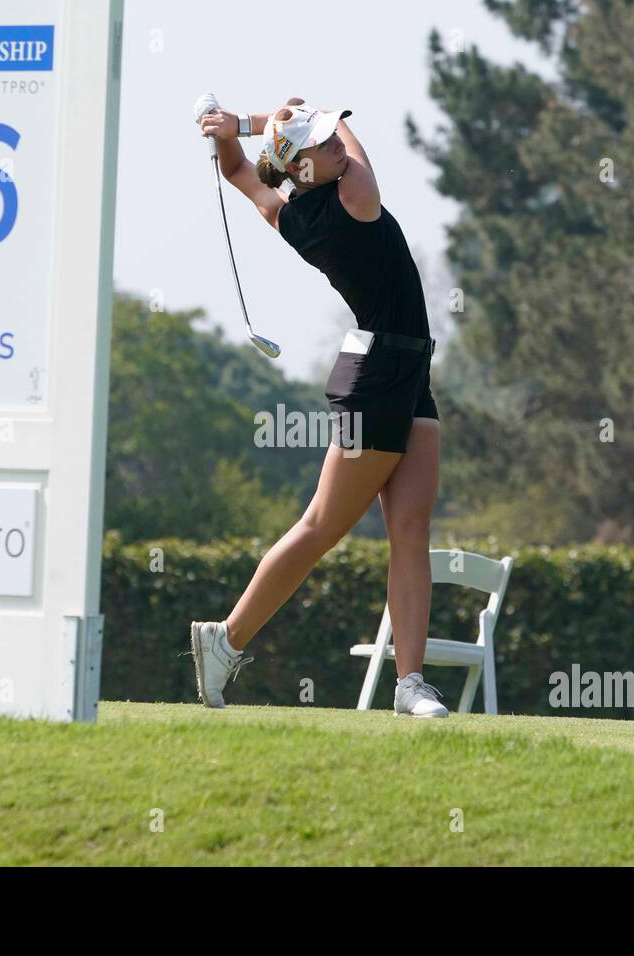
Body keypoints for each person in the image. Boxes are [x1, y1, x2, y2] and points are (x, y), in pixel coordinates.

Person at [189, 96, 446, 717]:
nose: (335, 144)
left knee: (411, 528)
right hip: (377, 377)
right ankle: (226, 639)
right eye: (320, 144)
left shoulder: (294, 212)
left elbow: (243, 177)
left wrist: (235, 132)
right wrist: (273, 121)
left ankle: (410, 683)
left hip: (407, 369)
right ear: (304, 169)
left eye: (331, 139)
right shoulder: (352, 195)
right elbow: (353, 144)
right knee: (322, 527)